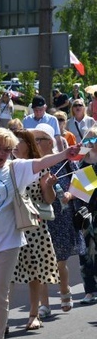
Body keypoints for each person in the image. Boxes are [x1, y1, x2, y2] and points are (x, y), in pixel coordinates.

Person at [0, 128, 80, 339]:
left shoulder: (15, 168)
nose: (1, 153)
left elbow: (43, 161)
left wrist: (65, 152)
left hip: (7, 243)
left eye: (6, 149)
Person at [30, 125, 84, 317]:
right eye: (33, 140)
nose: (36, 144)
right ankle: (44, 304)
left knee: (60, 261)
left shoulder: (64, 160)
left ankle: (64, 290)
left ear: (50, 142)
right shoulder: (32, 163)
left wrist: (70, 194)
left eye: (39, 140)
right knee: (41, 261)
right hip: (38, 217)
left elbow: (86, 180)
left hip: (61, 217)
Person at [9, 129, 59, 331]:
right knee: (6, 275)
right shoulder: (6, 167)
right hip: (10, 226)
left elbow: (49, 200)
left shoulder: (39, 168)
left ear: (28, 145)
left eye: (17, 141)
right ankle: (1, 318)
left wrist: (49, 186)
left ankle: (33, 314)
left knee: (35, 272)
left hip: (33, 227)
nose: (13, 145)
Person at [68, 126, 97, 305]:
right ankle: (90, 290)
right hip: (86, 212)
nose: (91, 143)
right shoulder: (83, 162)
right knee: (86, 250)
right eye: (89, 140)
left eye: (94, 139)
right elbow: (79, 192)